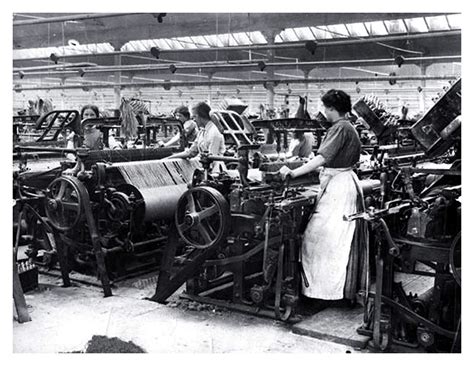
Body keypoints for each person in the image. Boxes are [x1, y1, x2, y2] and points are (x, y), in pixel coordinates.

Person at [280, 89, 366, 303]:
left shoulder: (339, 128)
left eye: (325, 108)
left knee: (318, 239)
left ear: (332, 109)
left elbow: (321, 159)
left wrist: (293, 172)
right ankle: (329, 290)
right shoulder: (350, 127)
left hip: (338, 188)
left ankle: (321, 293)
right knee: (337, 240)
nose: (324, 113)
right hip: (344, 182)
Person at [165, 102, 225, 173]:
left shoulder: (214, 133)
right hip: (206, 171)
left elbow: (211, 159)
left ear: (200, 116)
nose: (193, 120)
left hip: (216, 172)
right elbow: (191, 152)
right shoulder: (202, 131)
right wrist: (168, 158)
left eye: (194, 117)